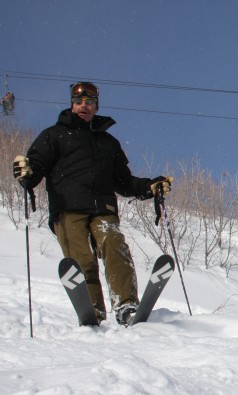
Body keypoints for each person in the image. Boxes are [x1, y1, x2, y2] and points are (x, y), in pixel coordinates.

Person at [12, 81, 173, 326]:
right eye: (78, 102)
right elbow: (35, 168)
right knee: (81, 260)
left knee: (114, 244)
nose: (83, 106)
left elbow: (123, 181)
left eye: (89, 102)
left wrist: (149, 187)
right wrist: (26, 171)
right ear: (72, 105)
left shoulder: (108, 142)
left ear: (96, 106)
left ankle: (127, 306)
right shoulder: (53, 135)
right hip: (68, 208)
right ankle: (92, 311)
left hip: (102, 208)